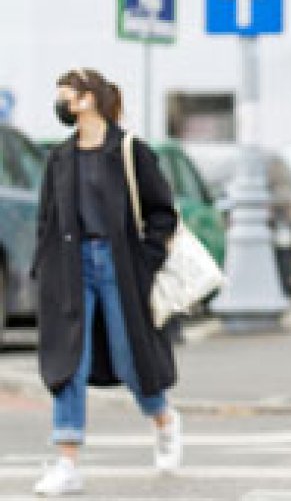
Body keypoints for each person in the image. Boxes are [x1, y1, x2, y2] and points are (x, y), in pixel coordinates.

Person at [31, 68, 182, 496]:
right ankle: (67, 462)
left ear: (89, 99)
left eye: (66, 96)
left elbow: (162, 213)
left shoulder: (131, 151)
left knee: (129, 357)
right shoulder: (60, 158)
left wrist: (145, 260)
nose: (61, 104)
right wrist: (44, 268)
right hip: (70, 268)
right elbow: (47, 220)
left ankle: (163, 419)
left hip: (121, 267)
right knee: (69, 363)